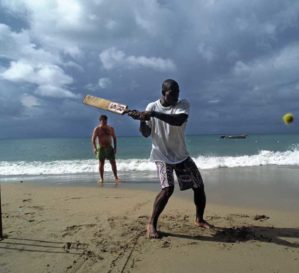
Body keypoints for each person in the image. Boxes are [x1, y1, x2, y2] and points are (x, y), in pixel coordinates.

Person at [128, 79, 212, 239]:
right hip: (161, 155)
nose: (175, 97)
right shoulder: (151, 106)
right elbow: (146, 133)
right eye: (171, 94)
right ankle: (151, 223)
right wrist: (141, 120)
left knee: (199, 186)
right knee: (168, 189)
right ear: (163, 93)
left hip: (181, 154)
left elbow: (177, 121)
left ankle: (199, 219)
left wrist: (151, 115)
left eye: (177, 93)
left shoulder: (182, 104)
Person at [91, 114, 120, 184]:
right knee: (101, 163)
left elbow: (114, 138)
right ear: (100, 121)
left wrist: (115, 147)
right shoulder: (97, 129)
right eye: (103, 121)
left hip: (110, 147)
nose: (104, 122)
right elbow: (93, 139)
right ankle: (101, 178)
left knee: (113, 163)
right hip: (101, 147)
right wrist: (94, 148)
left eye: (105, 121)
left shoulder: (111, 128)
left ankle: (116, 177)